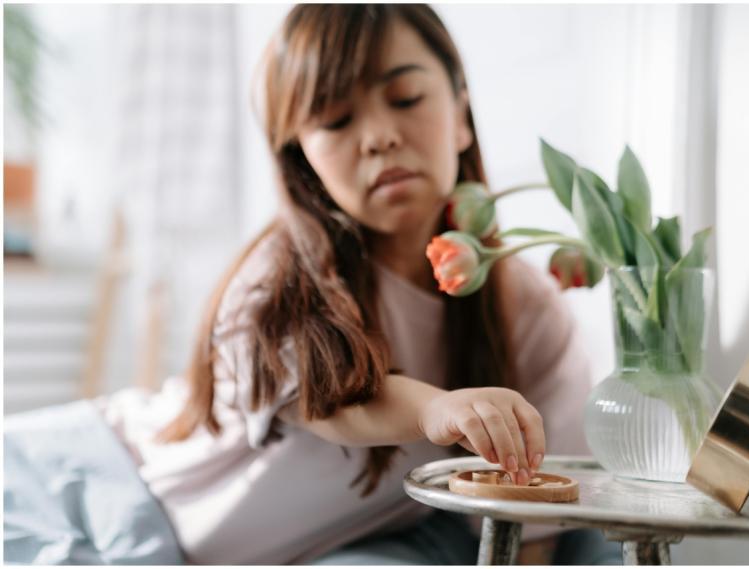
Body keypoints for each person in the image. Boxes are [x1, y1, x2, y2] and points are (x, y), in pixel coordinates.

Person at [4, 4, 622, 565]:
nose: (379, 136)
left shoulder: (525, 308)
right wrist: (436, 408)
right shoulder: (276, 281)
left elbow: (536, 523)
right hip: (85, 489)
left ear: (461, 115)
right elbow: (333, 401)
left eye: (406, 97)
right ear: (303, 158)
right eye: (336, 119)